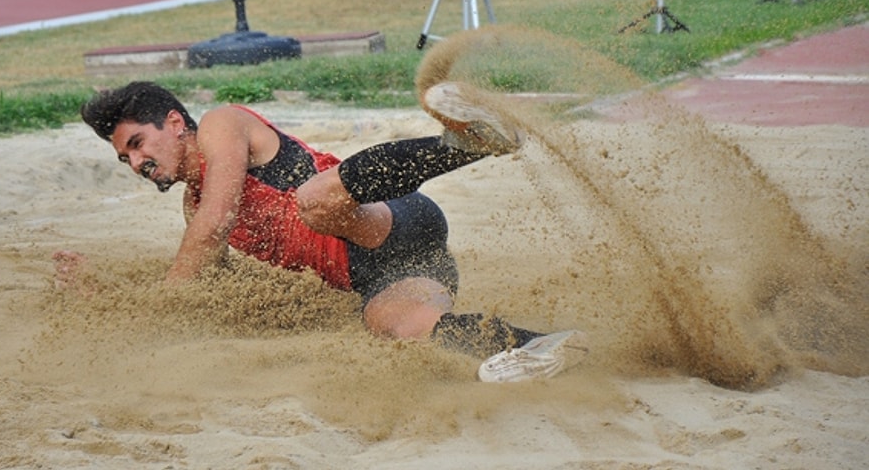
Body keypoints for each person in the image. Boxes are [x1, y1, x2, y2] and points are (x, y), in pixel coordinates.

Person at [60, 80, 587, 383]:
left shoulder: (221, 127)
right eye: (124, 157)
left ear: (175, 124)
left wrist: (145, 310)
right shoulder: (194, 206)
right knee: (392, 324)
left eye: (136, 143)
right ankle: (540, 348)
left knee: (312, 201)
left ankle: (473, 141)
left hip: (391, 215)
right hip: (399, 268)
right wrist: (103, 298)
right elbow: (205, 291)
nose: (134, 162)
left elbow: (212, 228)